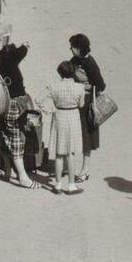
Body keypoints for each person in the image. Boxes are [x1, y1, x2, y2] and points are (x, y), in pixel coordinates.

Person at [35, 61, 86, 195]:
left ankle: (57, 185)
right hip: (73, 117)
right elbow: (81, 105)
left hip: (59, 116)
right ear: (73, 72)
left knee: (58, 154)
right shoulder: (79, 88)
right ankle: (71, 186)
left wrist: (49, 110)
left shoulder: (53, 87)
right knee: (71, 154)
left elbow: (38, 100)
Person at [0, 42, 41, 189]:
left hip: (4, 104)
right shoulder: (11, 62)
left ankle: (8, 172)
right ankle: (23, 177)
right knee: (16, 140)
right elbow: (21, 52)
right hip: (15, 106)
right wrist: (26, 44)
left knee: (6, 135)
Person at [69, 34, 106, 182]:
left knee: (86, 135)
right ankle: (68, 165)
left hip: (87, 103)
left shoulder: (90, 63)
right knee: (73, 133)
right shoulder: (74, 60)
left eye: (72, 46)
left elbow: (101, 85)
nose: (70, 49)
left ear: (78, 49)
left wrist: (83, 86)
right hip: (75, 101)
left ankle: (85, 169)